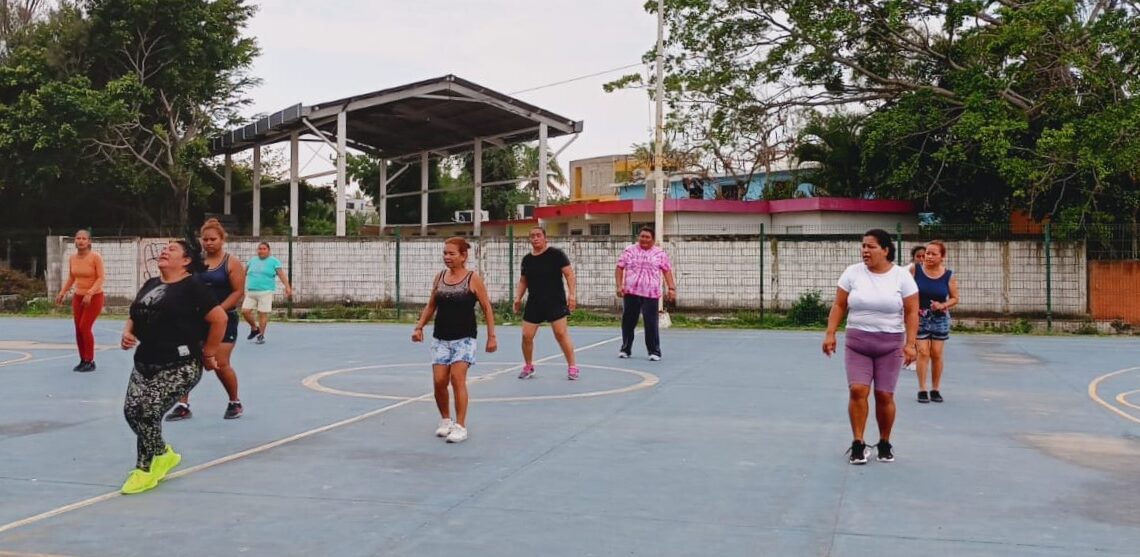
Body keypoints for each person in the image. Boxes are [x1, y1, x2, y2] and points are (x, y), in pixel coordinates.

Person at [119, 239, 226, 494]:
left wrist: (209, 352)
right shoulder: (151, 284)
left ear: (186, 260)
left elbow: (219, 318)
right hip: (145, 360)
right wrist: (127, 332)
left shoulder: (193, 286)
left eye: (172, 249)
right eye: (164, 248)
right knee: (131, 411)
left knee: (147, 412)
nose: (165, 251)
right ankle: (162, 453)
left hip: (180, 364)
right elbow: (135, 314)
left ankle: (143, 470)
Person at [822, 229, 918, 465]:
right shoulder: (852, 273)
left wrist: (911, 344)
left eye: (871, 246)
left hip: (890, 344)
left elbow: (912, 311)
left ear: (886, 250)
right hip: (858, 343)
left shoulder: (901, 277)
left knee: (884, 394)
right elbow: (839, 305)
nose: (865, 250)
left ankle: (884, 442)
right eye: (863, 246)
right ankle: (858, 443)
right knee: (857, 390)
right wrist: (830, 333)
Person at [412, 237, 497, 444]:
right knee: (439, 381)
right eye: (445, 253)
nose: (447, 257)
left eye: (452, 253)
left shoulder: (472, 278)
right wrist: (419, 326)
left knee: (457, 379)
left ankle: (460, 426)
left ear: (463, 256)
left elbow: (486, 307)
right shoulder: (440, 277)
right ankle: (445, 420)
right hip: (441, 337)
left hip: (465, 338)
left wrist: (491, 336)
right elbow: (431, 305)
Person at [167, 218, 245, 421]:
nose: (209, 242)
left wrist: (218, 310)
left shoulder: (231, 263)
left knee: (219, 362)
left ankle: (234, 402)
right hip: (197, 320)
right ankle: (183, 405)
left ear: (222, 239)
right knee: (188, 361)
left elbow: (238, 292)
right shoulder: (196, 262)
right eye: (205, 239)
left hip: (225, 319)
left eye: (213, 239)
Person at [513, 227, 579, 380]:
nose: (535, 238)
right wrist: (518, 298)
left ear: (545, 238)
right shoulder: (527, 260)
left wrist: (572, 295)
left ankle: (573, 367)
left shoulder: (556, 254)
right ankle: (529, 366)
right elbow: (523, 281)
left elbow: (569, 274)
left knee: (561, 334)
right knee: (526, 336)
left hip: (555, 301)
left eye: (538, 235)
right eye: (532, 236)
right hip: (534, 302)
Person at [615, 227, 677, 361]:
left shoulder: (659, 253)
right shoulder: (629, 250)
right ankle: (625, 349)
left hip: (651, 294)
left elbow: (667, 270)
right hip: (631, 292)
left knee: (651, 323)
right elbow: (620, 267)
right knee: (628, 322)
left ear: (653, 239)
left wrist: (671, 289)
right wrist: (619, 286)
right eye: (642, 236)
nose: (644, 239)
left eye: (647, 237)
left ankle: (654, 351)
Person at [913, 240, 959, 404]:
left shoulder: (948, 275)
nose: (929, 256)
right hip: (919, 317)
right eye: (927, 253)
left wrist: (943, 305)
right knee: (923, 352)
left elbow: (955, 298)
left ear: (942, 257)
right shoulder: (915, 270)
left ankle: (935, 388)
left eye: (933, 254)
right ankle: (922, 388)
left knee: (937, 354)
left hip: (940, 318)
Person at [55, 229, 105, 372]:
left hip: (94, 297)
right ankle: (83, 359)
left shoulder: (95, 257)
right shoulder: (72, 258)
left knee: (85, 327)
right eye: (78, 238)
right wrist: (63, 292)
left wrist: (90, 293)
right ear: (74, 241)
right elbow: (72, 277)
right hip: (78, 297)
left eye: (84, 238)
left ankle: (90, 360)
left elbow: (101, 277)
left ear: (89, 241)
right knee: (78, 329)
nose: (81, 241)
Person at [242, 242, 293, 344]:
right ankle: (254, 328)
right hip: (251, 291)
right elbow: (243, 274)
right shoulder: (252, 261)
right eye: (259, 249)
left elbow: (281, 275)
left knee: (262, 313)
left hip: (265, 292)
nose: (261, 251)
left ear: (268, 250)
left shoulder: (274, 261)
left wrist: (287, 287)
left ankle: (261, 335)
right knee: (245, 311)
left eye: (264, 249)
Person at [901, 245, 925, 371]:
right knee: (910, 334)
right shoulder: (907, 271)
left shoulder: (932, 271)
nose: (921, 259)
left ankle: (918, 360)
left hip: (925, 308)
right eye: (918, 256)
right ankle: (909, 360)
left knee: (922, 336)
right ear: (913, 258)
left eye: (923, 256)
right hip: (910, 307)